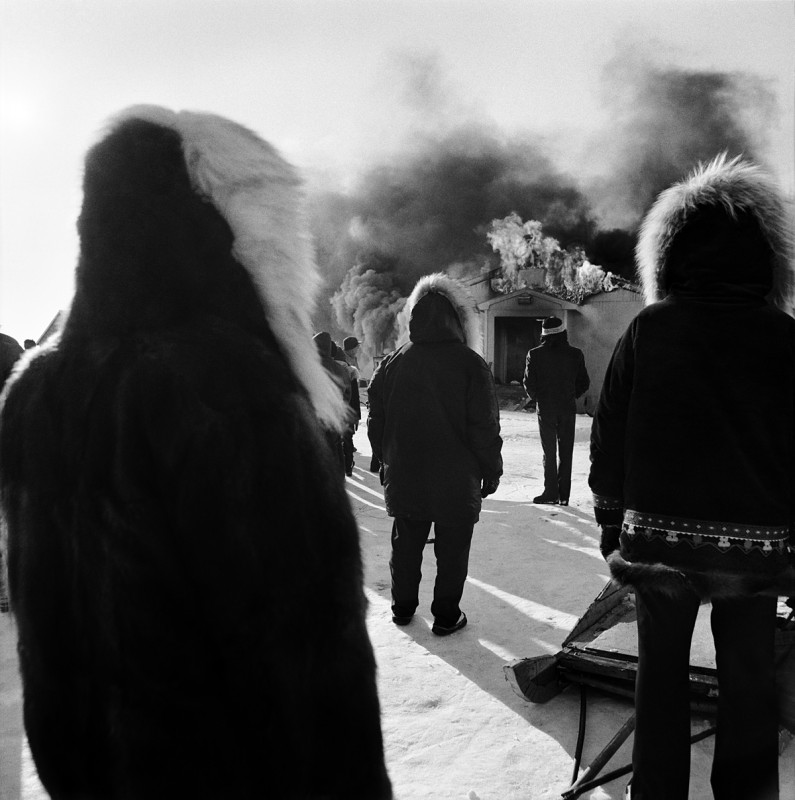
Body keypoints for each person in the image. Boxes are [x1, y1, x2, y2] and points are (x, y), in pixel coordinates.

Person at [0, 106, 392, 800]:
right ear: (235, 235)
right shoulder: (226, 383)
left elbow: (47, 631)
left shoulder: (37, 391)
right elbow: (302, 665)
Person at [589, 154, 795, 800]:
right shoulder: (785, 338)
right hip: (755, 549)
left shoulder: (647, 329)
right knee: (748, 684)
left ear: (669, 255)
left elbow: (609, 432)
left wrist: (609, 524)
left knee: (660, 682)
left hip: (658, 544)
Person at [367, 273, 502, 636]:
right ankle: (445, 616)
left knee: (406, 544)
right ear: (459, 320)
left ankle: (402, 608)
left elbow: (376, 417)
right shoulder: (471, 364)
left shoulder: (394, 362)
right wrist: (492, 468)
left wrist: (382, 459)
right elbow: (484, 425)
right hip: (456, 478)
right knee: (453, 550)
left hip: (405, 473)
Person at [523, 315, 590, 505]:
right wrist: (570, 395)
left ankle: (550, 492)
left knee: (549, 451)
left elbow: (529, 383)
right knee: (566, 451)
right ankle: (564, 496)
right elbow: (584, 382)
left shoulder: (534, 354)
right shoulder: (575, 354)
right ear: (563, 332)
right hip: (567, 407)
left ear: (543, 334)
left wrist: (540, 398)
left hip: (545, 408)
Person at [314, 331, 352, 475]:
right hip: (335, 417)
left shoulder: (310, 367)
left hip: (317, 418)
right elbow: (348, 395)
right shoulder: (341, 369)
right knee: (336, 449)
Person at [339, 337, 362, 476]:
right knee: (346, 435)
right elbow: (352, 393)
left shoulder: (352, 360)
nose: (358, 349)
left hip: (344, 404)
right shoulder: (345, 364)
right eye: (357, 347)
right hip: (346, 405)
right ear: (351, 348)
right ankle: (347, 465)